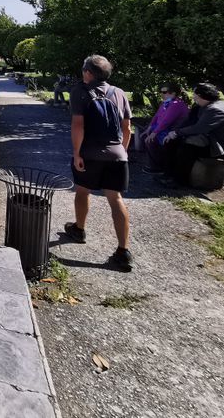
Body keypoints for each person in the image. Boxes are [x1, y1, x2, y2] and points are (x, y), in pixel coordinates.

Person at [63, 54, 134, 271]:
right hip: (117, 155)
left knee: (82, 190)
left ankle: (79, 229)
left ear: (88, 73)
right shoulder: (119, 93)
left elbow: (78, 126)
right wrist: (122, 152)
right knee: (116, 198)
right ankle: (123, 251)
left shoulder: (80, 92)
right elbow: (127, 128)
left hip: (90, 154)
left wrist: (77, 153)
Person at [162, 83, 224, 184]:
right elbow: (188, 122)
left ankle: (179, 180)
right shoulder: (203, 106)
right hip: (212, 141)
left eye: (195, 94)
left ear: (202, 95)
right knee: (171, 142)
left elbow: (199, 128)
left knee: (187, 148)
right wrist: (174, 133)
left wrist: (177, 133)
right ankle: (168, 175)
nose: (193, 96)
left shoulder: (215, 109)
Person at [142, 84, 190, 173]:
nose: (161, 94)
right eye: (161, 92)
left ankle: (158, 167)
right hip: (167, 129)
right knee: (146, 136)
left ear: (173, 93)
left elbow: (166, 121)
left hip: (176, 131)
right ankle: (156, 164)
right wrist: (150, 127)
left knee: (150, 140)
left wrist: (154, 132)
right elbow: (157, 116)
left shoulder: (176, 104)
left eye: (164, 92)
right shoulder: (167, 102)